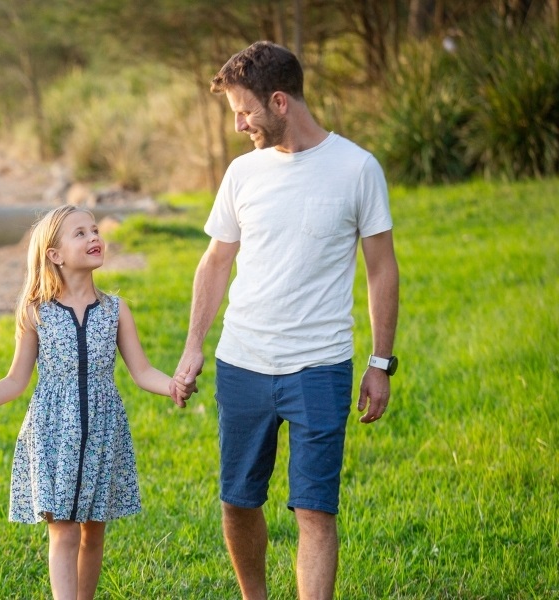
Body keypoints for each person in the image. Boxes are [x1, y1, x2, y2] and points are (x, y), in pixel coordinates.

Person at [171, 41, 400, 600]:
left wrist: (379, 362)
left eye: (243, 112)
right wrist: (194, 343)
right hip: (243, 362)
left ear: (279, 102)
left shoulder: (357, 168)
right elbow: (216, 260)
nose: (238, 125)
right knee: (238, 501)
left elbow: (381, 270)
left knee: (315, 511)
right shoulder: (242, 173)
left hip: (320, 367)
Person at [0, 205, 174, 600]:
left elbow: (142, 372)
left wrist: (173, 385)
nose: (94, 237)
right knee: (64, 530)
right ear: (54, 254)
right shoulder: (36, 312)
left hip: (102, 432)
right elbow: (15, 380)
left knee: (93, 532)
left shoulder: (115, 310)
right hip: (53, 434)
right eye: (80, 233)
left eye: (95, 230)